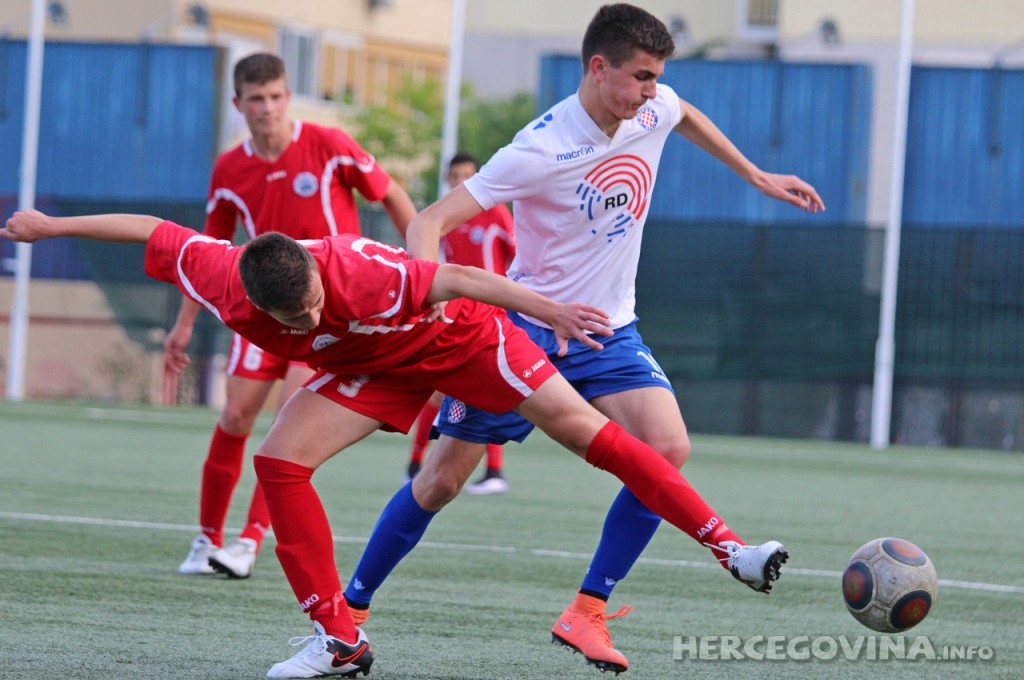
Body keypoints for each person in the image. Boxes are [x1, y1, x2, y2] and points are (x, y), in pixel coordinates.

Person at [3, 208, 789, 678]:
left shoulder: (364, 271)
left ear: (316, 273)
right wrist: (50, 226)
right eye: (292, 322)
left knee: (586, 431)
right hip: (371, 368)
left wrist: (546, 309)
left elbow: (459, 281)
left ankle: (732, 549)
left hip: (462, 344)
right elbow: (154, 231)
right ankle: (339, 638)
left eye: (312, 306)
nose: (305, 323)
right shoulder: (220, 274)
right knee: (280, 462)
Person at [344, 3, 824, 674]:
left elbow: (686, 115)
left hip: (608, 331)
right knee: (442, 481)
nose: (652, 93)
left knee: (666, 447)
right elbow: (429, 221)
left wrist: (756, 176)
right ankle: (351, 610)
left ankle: (587, 610)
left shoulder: (650, 109)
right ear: (599, 69)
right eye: (642, 77)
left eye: (657, 78)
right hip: (522, 332)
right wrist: (427, 301)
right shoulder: (539, 149)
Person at [163, 52, 416, 579]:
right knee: (235, 416)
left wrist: (420, 257)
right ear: (239, 104)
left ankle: (249, 542)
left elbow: (389, 191)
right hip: (260, 313)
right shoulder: (230, 168)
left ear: (287, 97)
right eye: (257, 99)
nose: (269, 108)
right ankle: (206, 538)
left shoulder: (327, 145)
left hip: (323, 316)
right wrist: (185, 322)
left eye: (277, 96)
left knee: (286, 422)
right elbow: (204, 249)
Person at [404, 152, 516, 495]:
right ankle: (418, 465)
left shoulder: (494, 213)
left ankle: (490, 470)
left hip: (493, 313)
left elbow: (516, 254)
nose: (459, 183)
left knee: (483, 387)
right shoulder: (444, 218)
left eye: (465, 176)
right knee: (441, 386)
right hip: (456, 313)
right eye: (453, 177)